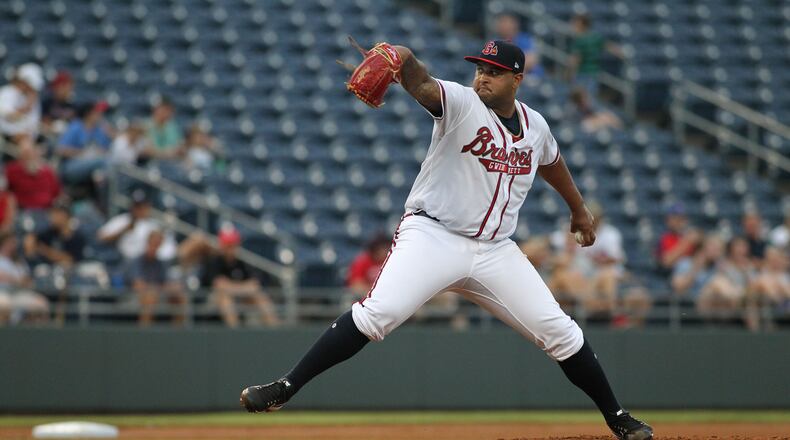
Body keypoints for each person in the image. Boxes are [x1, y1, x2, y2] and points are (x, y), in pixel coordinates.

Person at [240, 40, 652, 439]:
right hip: (433, 235)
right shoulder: (460, 103)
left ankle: (617, 417)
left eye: (494, 72)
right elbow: (420, 82)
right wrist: (400, 55)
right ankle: (286, 388)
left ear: (517, 79)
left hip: (495, 250)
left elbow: (552, 162)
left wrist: (578, 209)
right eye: (480, 69)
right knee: (377, 313)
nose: (483, 78)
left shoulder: (536, 126)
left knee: (560, 331)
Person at [202, 226, 279, 328]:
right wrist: (242, 288)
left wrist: (233, 288)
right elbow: (219, 285)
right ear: (222, 245)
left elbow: (254, 285)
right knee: (225, 299)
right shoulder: (214, 261)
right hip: (212, 301)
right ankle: (235, 334)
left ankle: (275, 330)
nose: (230, 249)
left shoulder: (242, 262)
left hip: (240, 297)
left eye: (232, 245)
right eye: (227, 245)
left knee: (260, 297)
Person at [125, 229, 187, 326]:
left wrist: (170, 288)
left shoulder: (160, 263)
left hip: (158, 296)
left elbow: (166, 284)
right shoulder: (136, 262)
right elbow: (138, 286)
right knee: (150, 297)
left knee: (179, 296)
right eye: (153, 244)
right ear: (147, 243)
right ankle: (145, 333)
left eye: (158, 245)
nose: (155, 247)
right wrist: (158, 288)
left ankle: (178, 332)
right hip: (133, 297)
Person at [97, 190, 177, 261]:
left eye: (143, 206)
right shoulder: (123, 220)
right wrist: (123, 230)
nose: (140, 210)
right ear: (132, 207)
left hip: (148, 263)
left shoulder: (154, 225)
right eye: (137, 206)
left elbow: (169, 249)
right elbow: (101, 237)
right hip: (125, 261)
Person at [567, 14, 624, 99]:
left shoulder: (580, 40)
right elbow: (608, 46)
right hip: (593, 73)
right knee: (590, 98)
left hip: (582, 73)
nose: (574, 26)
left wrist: (569, 73)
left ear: (582, 24)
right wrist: (621, 53)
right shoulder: (595, 37)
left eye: (576, 23)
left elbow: (576, 59)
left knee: (580, 99)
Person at [56, 101, 113, 185]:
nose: (100, 115)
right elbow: (61, 150)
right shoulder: (76, 126)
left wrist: (110, 134)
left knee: (104, 168)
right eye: (96, 112)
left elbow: (104, 151)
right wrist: (82, 153)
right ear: (88, 113)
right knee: (102, 162)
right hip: (71, 166)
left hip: (92, 165)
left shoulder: (98, 130)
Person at [697, 237, 754, 320]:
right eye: (738, 247)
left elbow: (752, 286)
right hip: (709, 302)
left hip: (731, 304)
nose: (740, 250)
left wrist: (745, 272)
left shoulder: (746, 266)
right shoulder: (722, 265)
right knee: (717, 282)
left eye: (717, 249)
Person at [0, 233, 49, 325]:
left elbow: (26, 280)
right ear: (3, 243)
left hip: (19, 293)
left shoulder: (18, 261)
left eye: (14, 243)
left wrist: (20, 281)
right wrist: (15, 280)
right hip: (2, 292)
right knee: (3, 305)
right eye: (10, 242)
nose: (13, 245)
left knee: (41, 304)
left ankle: (33, 336)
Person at [23, 201, 86, 270]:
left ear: (65, 215)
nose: (52, 217)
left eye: (56, 213)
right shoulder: (48, 233)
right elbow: (31, 242)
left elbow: (70, 259)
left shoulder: (77, 237)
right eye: (52, 213)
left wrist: (45, 251)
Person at [0, 63, 43, 152]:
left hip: (29, 138)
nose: (32, 89)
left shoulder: (34, 98)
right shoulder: (7, 92)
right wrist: (26, 107)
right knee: (27, 146)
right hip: (7, 136)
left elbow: (33, 124)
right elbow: (7, 117)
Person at [745, 246, 790, 331]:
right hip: (767, 305)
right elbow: (755, 286)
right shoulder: (760, 274)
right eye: (771, 259)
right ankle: (754, 331)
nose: (775, 261)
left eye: (777, 258)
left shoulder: (786, 275)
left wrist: (780, 288)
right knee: (755, 299)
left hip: (785, 305)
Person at [671, 234, 725, 304]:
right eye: (714, 248)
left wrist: (721, 271)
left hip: (710, 304)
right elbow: (678, 287)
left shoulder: (716, 267)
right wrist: (696, 268)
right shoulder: (685, 263)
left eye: (719, 249)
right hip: (686, 303)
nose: (716, 252)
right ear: (703, 248)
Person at [5, 144, 61, 210]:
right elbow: (8, 190)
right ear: (20, 156)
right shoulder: (13, 170)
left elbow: (56, 191)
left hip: (47, 209)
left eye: (31, 153)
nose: (29, 156)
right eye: (26, 154)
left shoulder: (47, 171)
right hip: (23, 209)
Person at [493, 13, 543, 77]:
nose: (505, 26)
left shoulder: (524, 38)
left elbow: (531, 59)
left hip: (533, 76)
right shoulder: (494, 42)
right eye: (502, 22)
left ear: (515, 24)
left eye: (508, 22)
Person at [656, 203, 701, 273]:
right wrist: (687, 241)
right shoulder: (666, 238)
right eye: (674, 218)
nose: (679, 222)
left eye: (681, 219)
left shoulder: (695, 234)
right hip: (673, 274)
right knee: (685, 264)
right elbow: (666, 262)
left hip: (696, 272)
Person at [41, 71, 76, 139]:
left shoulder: (72, 106)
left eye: (69, 87)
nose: (69, 90)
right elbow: (43, 123)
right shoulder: (47, 103)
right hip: (48, 137)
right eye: (65, 86)